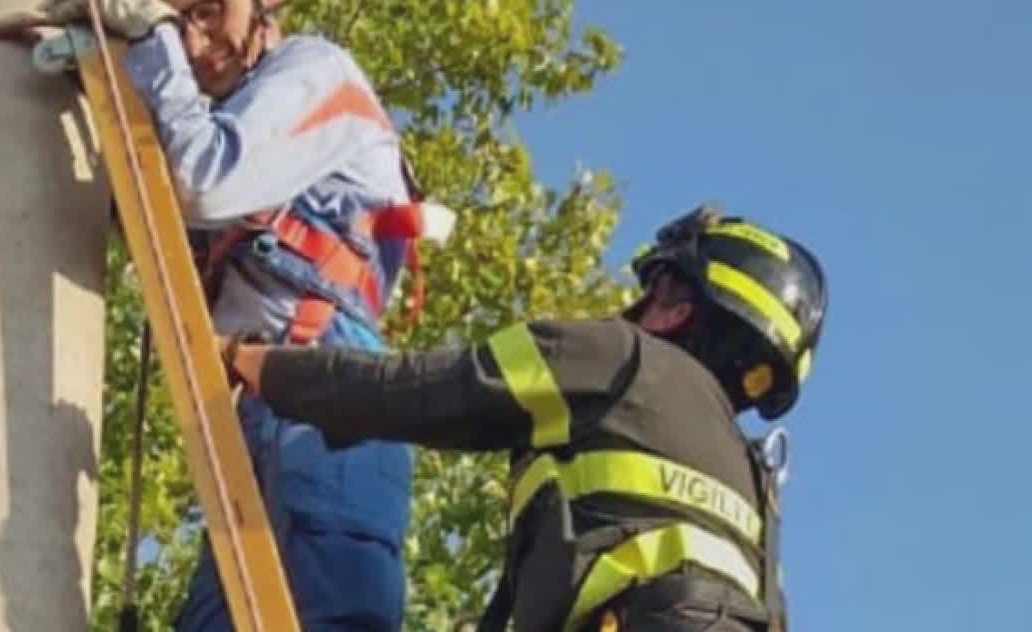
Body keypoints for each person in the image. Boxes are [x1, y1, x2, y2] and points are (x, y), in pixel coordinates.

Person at [50, 0, 448, 631]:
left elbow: (208, 182)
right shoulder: (195, 109)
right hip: (251, 412)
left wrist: (154, 46)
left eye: (209, 10)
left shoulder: (317, 73)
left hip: (333, 399)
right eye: (175, 20)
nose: (197, 42)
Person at [214, 203, 828, 632]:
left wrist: (255, 362)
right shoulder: (754, 490)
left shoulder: (618, 358)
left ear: (672, 304)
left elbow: (418, 391)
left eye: (654, 289)